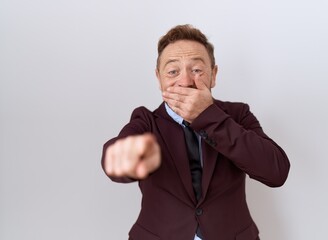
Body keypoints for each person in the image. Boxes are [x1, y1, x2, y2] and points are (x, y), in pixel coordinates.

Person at [101, 24, 290, 240]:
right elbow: (116, 158)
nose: (185, 81)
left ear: (214, 75)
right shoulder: (146, 121)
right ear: (159, 78)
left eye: (197, 70)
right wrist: (127, 157)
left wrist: (208, 117)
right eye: (173, 71)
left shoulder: (238, 115)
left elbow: (276, 172)